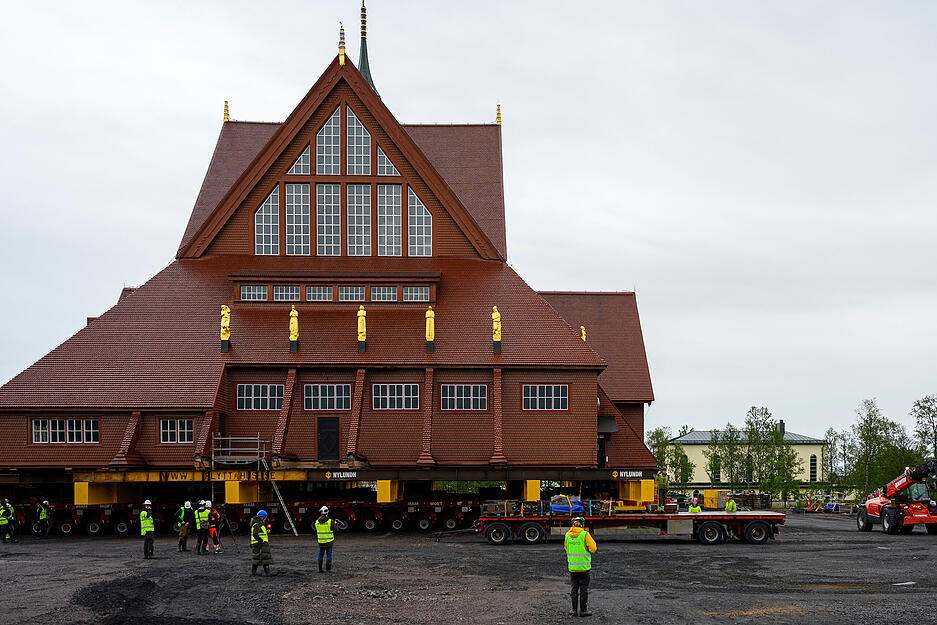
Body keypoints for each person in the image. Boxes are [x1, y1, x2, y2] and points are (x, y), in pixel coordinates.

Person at [564, 516, 596, 617]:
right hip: (583, 568)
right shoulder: (584, 534)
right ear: (582, 525)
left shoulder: (567, 535)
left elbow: (566, 548)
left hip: (572, 567)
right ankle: (583, 611)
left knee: (574, 588)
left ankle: (573, 610)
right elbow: (593, 548)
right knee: (583, 588)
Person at [250, 509, 272, 576]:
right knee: (265, 558)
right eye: (265, 518)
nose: (265, 519)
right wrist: (261, 540)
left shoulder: (258, 524)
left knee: (256, 558)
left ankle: (254, 572)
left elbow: (261, 534)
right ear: (261, 517)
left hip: (258, 544)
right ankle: (267, 573)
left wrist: (267, 533)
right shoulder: (257, 525)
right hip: (260, 544)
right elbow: (255, 534)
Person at [315, 505, 335, 573]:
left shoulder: (317, 522)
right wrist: (336, 524)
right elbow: (336, 529)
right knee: (328, 555)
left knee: (320, 555)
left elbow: (316, 530)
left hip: (321, 542)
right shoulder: (330, 521)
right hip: (329, 542)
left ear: (321, 513)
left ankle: (320, 569)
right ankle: (328, 569)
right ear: (327, 513)